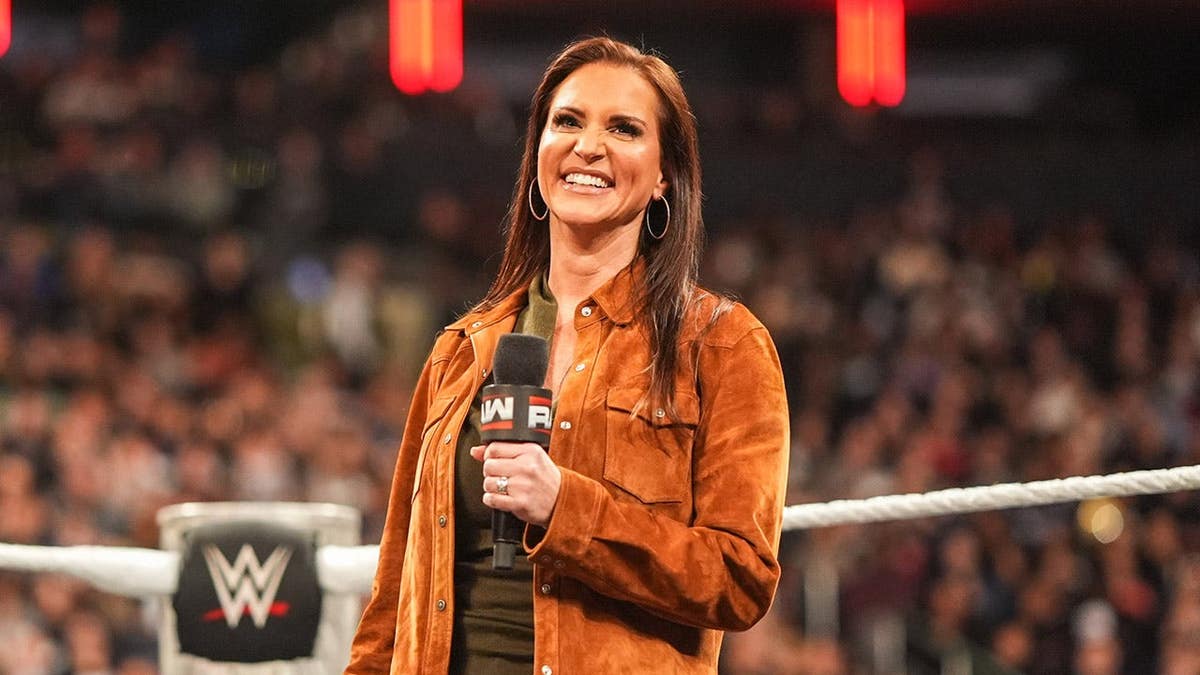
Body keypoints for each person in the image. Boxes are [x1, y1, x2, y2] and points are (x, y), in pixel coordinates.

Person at [345, 36, 789, 674]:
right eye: (568, 121)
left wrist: (566, 507)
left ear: (665, 174)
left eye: (625, 129)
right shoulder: (461, 350)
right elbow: (395, 587)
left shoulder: (722, 345)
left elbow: (739, 578)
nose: (590, 146)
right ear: (538, 155)